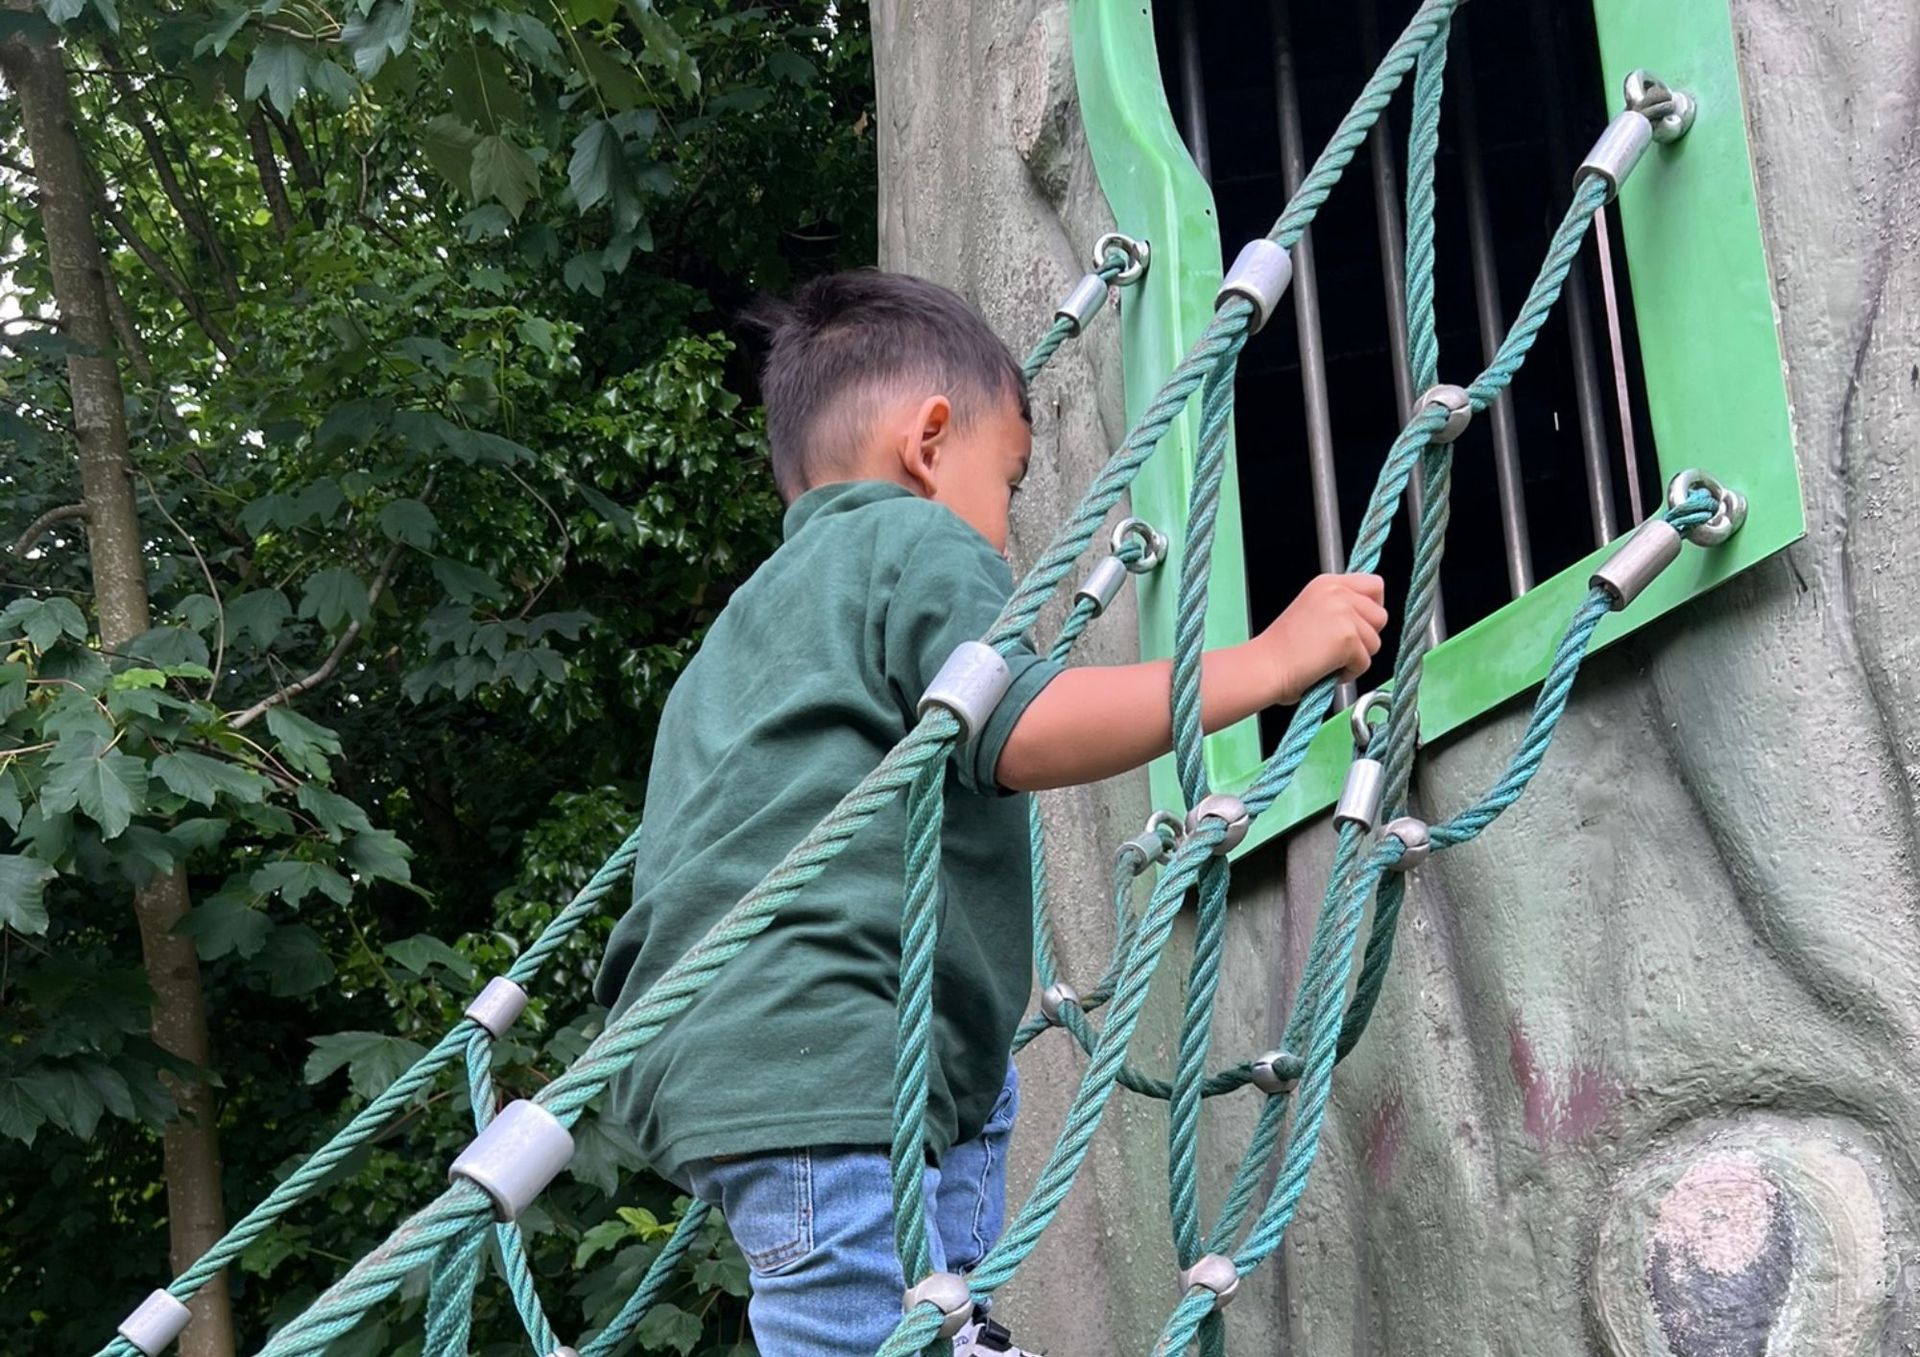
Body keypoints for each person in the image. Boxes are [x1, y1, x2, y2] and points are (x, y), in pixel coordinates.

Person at [595, 270, 1387, 1356]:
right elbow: (1019, 723)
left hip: (720, 1044)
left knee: (965, 1135)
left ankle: (959, 1323)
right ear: (929, 443)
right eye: (1009, 483)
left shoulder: (741, 632)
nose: (1008, 534)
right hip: (829, 1044)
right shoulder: (917, 542)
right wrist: (1270, 662)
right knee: (859, 1326)